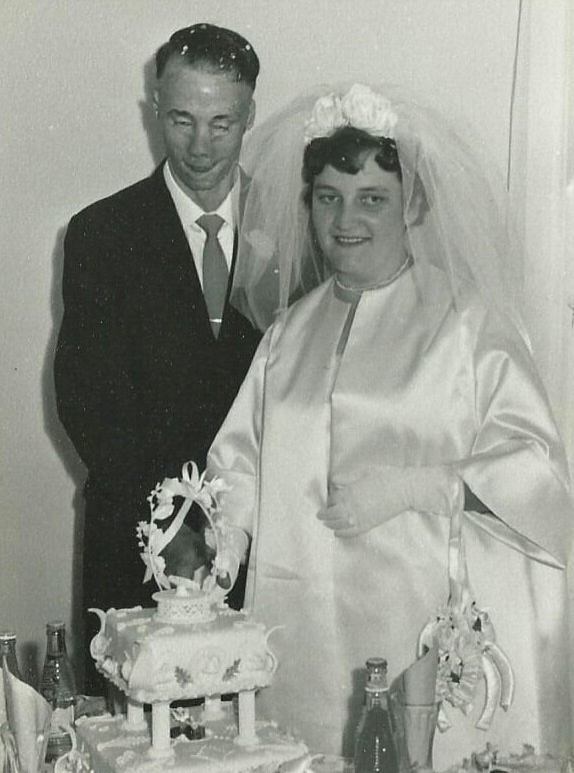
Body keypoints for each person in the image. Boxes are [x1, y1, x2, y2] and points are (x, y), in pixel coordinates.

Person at [206, 84, 573, 767]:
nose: (345, 219)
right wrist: (220, 543)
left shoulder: (466, 322)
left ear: (414, 205)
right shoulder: (288, 332)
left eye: (371, 198)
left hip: (415, 627)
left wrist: (422, 485)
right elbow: (238, 463)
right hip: (302, 628)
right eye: (327, 197)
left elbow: (538, 468)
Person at [54, 23, 263, 694]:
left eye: (221, 123)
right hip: (138, 554)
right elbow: (88, 402)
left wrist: (237, 530)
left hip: (264, 555)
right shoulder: (100, 233)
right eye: (181, 118)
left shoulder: (296, 227)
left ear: (250, 115)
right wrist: (178, 527)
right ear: (153, 108)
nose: (200, 146)